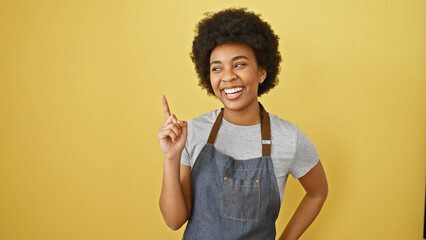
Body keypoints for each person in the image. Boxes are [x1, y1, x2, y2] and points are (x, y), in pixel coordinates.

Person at [158, 7, 328, 240]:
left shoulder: (289, 138)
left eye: (239, 64)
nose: (227, 76)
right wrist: (171, 158)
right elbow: (174, 221)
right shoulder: (193, 131)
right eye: (217, 68)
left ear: (261, 72)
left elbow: (317, 193)